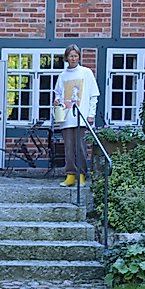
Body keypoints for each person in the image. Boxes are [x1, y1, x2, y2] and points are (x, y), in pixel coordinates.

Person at [52, 44, 99, 187]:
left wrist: (91, 115)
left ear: (79, 57)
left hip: (82, 117)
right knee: (69, 148)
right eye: (71, 56)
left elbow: (94, 96)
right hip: (66, 118)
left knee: (81, 147)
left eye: (76, 55)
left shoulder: (86, 73)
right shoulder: (62, 76)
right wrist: (57, 101)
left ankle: (82, 176)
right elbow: (58, 93)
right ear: (66, 58)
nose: (73, 58)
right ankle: (70, 175)